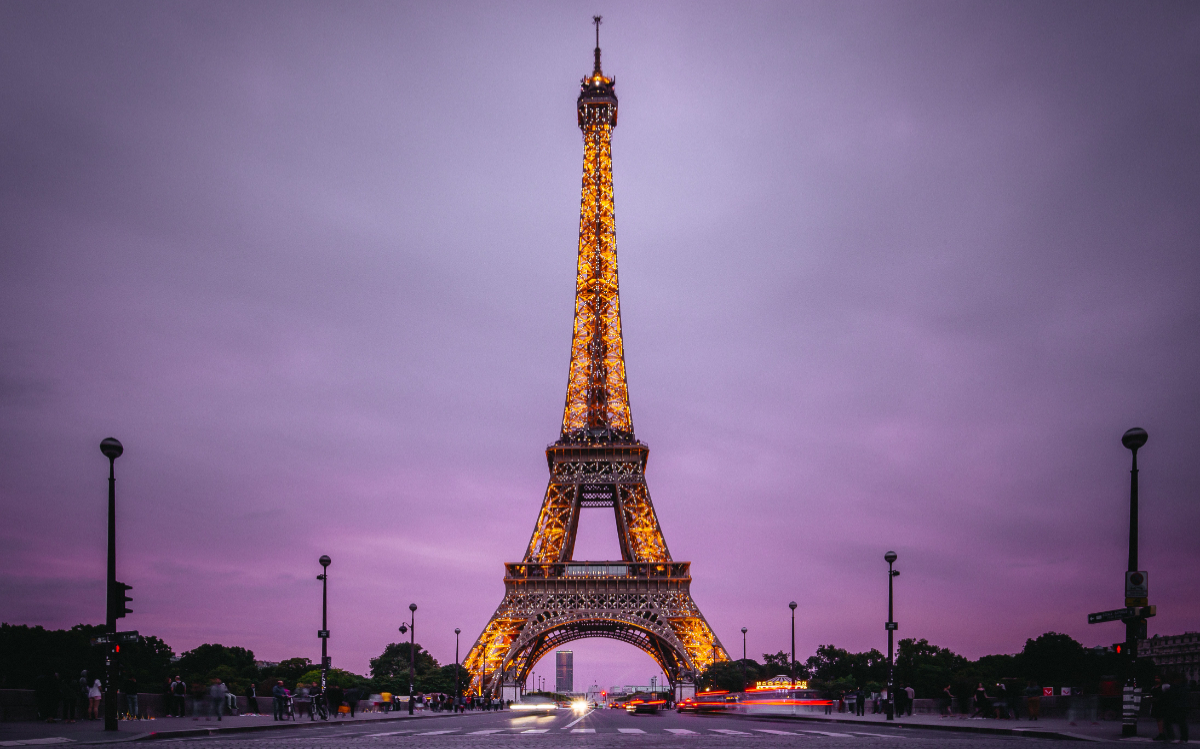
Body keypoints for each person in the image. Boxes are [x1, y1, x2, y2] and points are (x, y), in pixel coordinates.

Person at [1163, 672, 1190, 743]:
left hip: (1177, 706)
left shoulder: (1176, 687)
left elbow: (1171, 694)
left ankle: (1174, 737)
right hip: (1181, 706)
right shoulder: (1184, 686)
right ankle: (1183, 738)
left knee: (1171, 722)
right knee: (1181, 723)